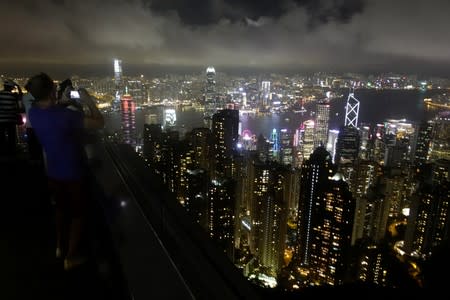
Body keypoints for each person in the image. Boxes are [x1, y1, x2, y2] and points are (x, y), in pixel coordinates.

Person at [26, 72, 104, 271]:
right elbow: (99, 122)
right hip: (73, 172)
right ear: (52, 91)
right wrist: (88, 101)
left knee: (61, 210)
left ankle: (60, 247)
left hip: (52, 172)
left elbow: (49, 112)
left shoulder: (34, 113)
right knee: (78, 214)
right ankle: (71, 257)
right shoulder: (67, 116)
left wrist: (58, 102)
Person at [0, 79, 21, 157]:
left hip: (1, 120)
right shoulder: (14, 95)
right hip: (11, 119)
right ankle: (11, 152)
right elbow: (20, 96)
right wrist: (18, 86)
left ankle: (3, 152)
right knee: (12, 137)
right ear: (11, 87)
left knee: (2, 137)